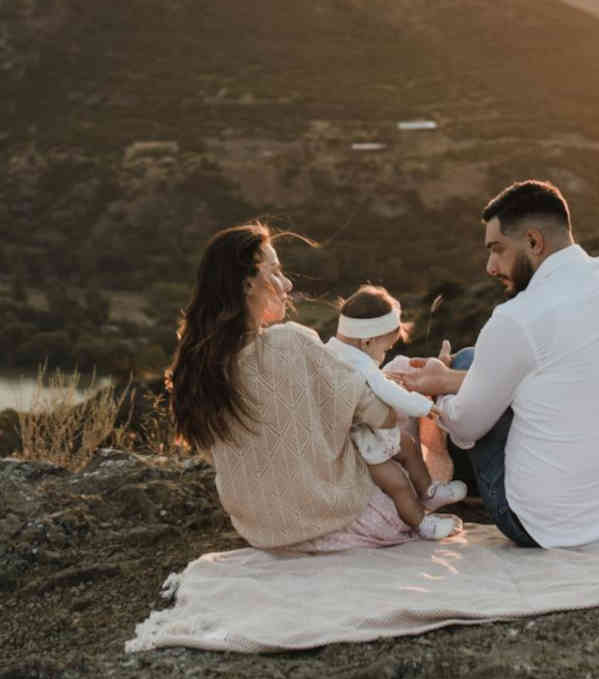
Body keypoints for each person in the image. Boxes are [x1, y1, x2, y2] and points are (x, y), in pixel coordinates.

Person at [400, 180, 599, 548]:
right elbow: (569, 374)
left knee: (470, 361)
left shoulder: (517, 318)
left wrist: (437, 394)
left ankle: (435, 490)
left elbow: (466, 425)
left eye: (498, 250)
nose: (491, 267)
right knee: (482, 367)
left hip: (546, 526)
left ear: (533, 242)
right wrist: (450, 380)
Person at [165, 222, 445, 553]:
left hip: (265, 532)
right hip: (347, 522)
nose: (287, 283)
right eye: (276, 272)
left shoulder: (202, 369)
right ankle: (436, 494)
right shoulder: (290, 343)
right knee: (401, 385)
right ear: (247, 284)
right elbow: (380, 416)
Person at [324, 285, 466, 539]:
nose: (384, 354)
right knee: (398, 484)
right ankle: (422, 522)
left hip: (372, 433)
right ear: (367, 341)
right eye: (384, 349)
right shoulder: (361, 364)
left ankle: (429, 491)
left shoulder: (333, 351)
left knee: (408, 445)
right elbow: (387, 391)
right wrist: (425, 407)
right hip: (363, 446)